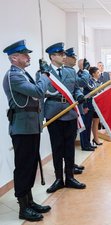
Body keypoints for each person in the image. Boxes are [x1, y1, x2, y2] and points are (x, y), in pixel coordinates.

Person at [2, 40, 51, 221]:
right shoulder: (13, 76)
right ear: (15, 58)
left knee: (30, 166)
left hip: (31, 127)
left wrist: (40, 77)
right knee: (23, 167)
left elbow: (37, 93)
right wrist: (44, 76)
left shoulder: (22, 74)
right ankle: (23, 207)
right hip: (22, 129)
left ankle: (29, 202)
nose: (28, 57)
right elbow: (38, 91)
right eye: (25, 55)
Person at [42, 42, 86, 193]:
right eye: (60, 54)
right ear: (52, 57)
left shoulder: (70, 72)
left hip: (70, 113)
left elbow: (76, 90)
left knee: (69, 147)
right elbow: (40, 93)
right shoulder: (44, 73)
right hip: (53, 114)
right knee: (57, 147)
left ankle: (70, 178)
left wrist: (80, 96)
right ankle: (59, 179)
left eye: (64, 54)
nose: (64, 57)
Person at [64, 48, 92, 173]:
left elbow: (77, 87)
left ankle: (71, 164)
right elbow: (83, 82)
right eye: (73, 57)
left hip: (74, 109)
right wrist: (85, 70)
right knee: (66, 142)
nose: (75, 59)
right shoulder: (66, 72)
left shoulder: (72, 72)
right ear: (66, 58)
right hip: (66, 110)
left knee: (71, 140)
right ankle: (67, 167)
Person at [77, 59, 99, 150]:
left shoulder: (86, 75)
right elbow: (89, 87)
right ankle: (85, 145)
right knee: (84, 126)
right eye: (85, 64)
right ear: (80, 65)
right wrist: (85, 106)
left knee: (88, 125)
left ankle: (88, 143)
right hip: (85, 105)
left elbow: (92, 86)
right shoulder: (80, 75)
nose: (88, 66)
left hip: (90, 105)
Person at [83, 67, 103, 146]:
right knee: (88, 125)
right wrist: (85, 106)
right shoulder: (89, 81)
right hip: (89, 106)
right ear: (93, 74)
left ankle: (96, 139)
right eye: (98, 72)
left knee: (96, 123)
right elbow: (90, 91)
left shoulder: (99, 82)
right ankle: (87, 143)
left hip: (96, 106)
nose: (99, 74)